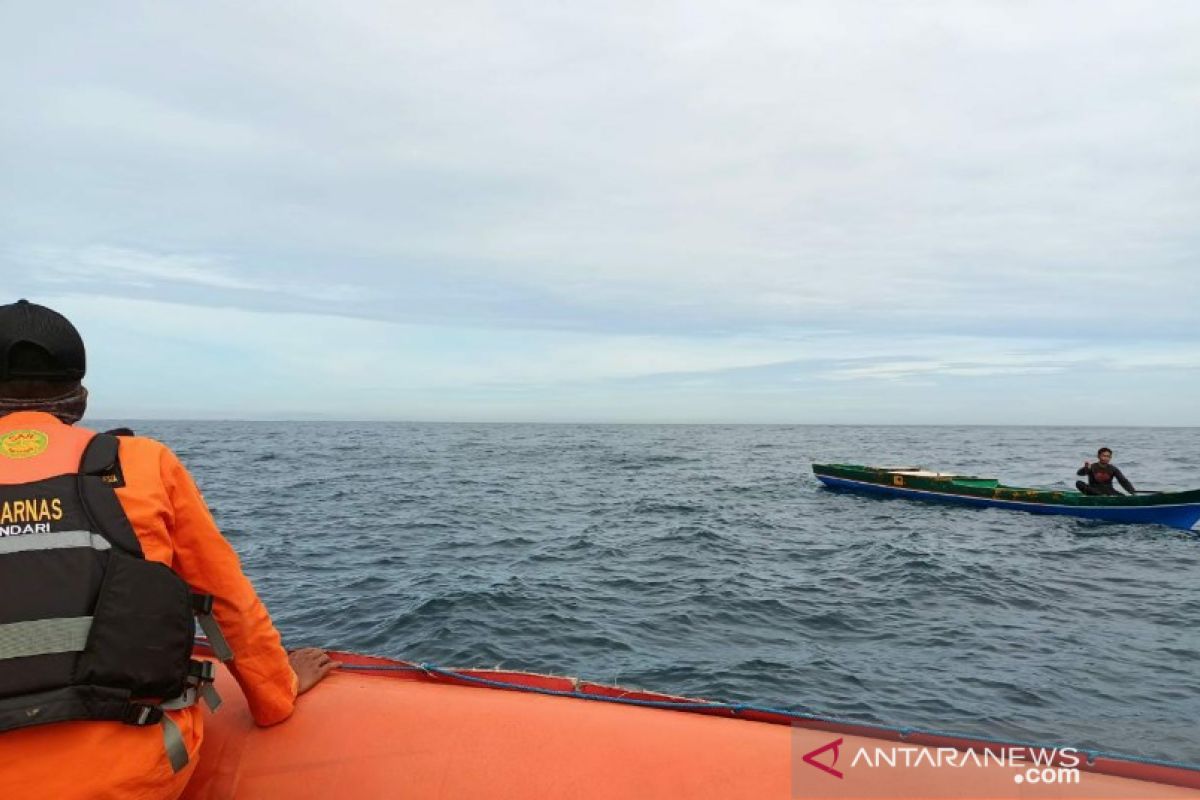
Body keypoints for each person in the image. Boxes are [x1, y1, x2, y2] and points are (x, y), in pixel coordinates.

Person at [0, 299, 339, 799]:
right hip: (128, 776)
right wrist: (276, 696)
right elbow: (225, 598)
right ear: (79, 399)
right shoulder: (144, 464)